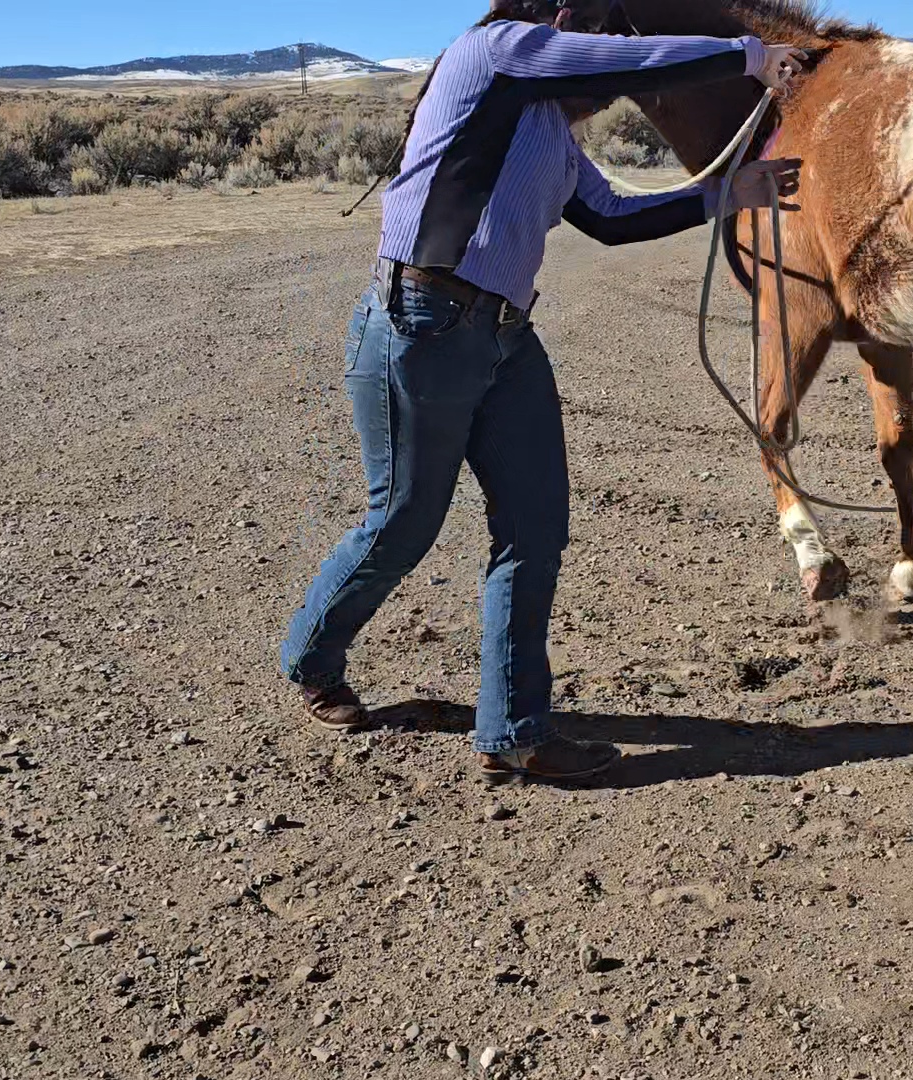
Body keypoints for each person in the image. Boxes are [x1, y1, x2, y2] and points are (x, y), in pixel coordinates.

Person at [278, 0, 805, 781]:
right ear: (565, 21)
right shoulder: (494, 53)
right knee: (404, 522)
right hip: (420, 325)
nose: (614, 80)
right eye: (608, 48)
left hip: (504, 337)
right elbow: (622, 63)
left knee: (535, 528)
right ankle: (311, 658)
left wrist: (731, 191)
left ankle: (514, 733)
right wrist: (748, 56)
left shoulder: (554, 137)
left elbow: (613, 220)